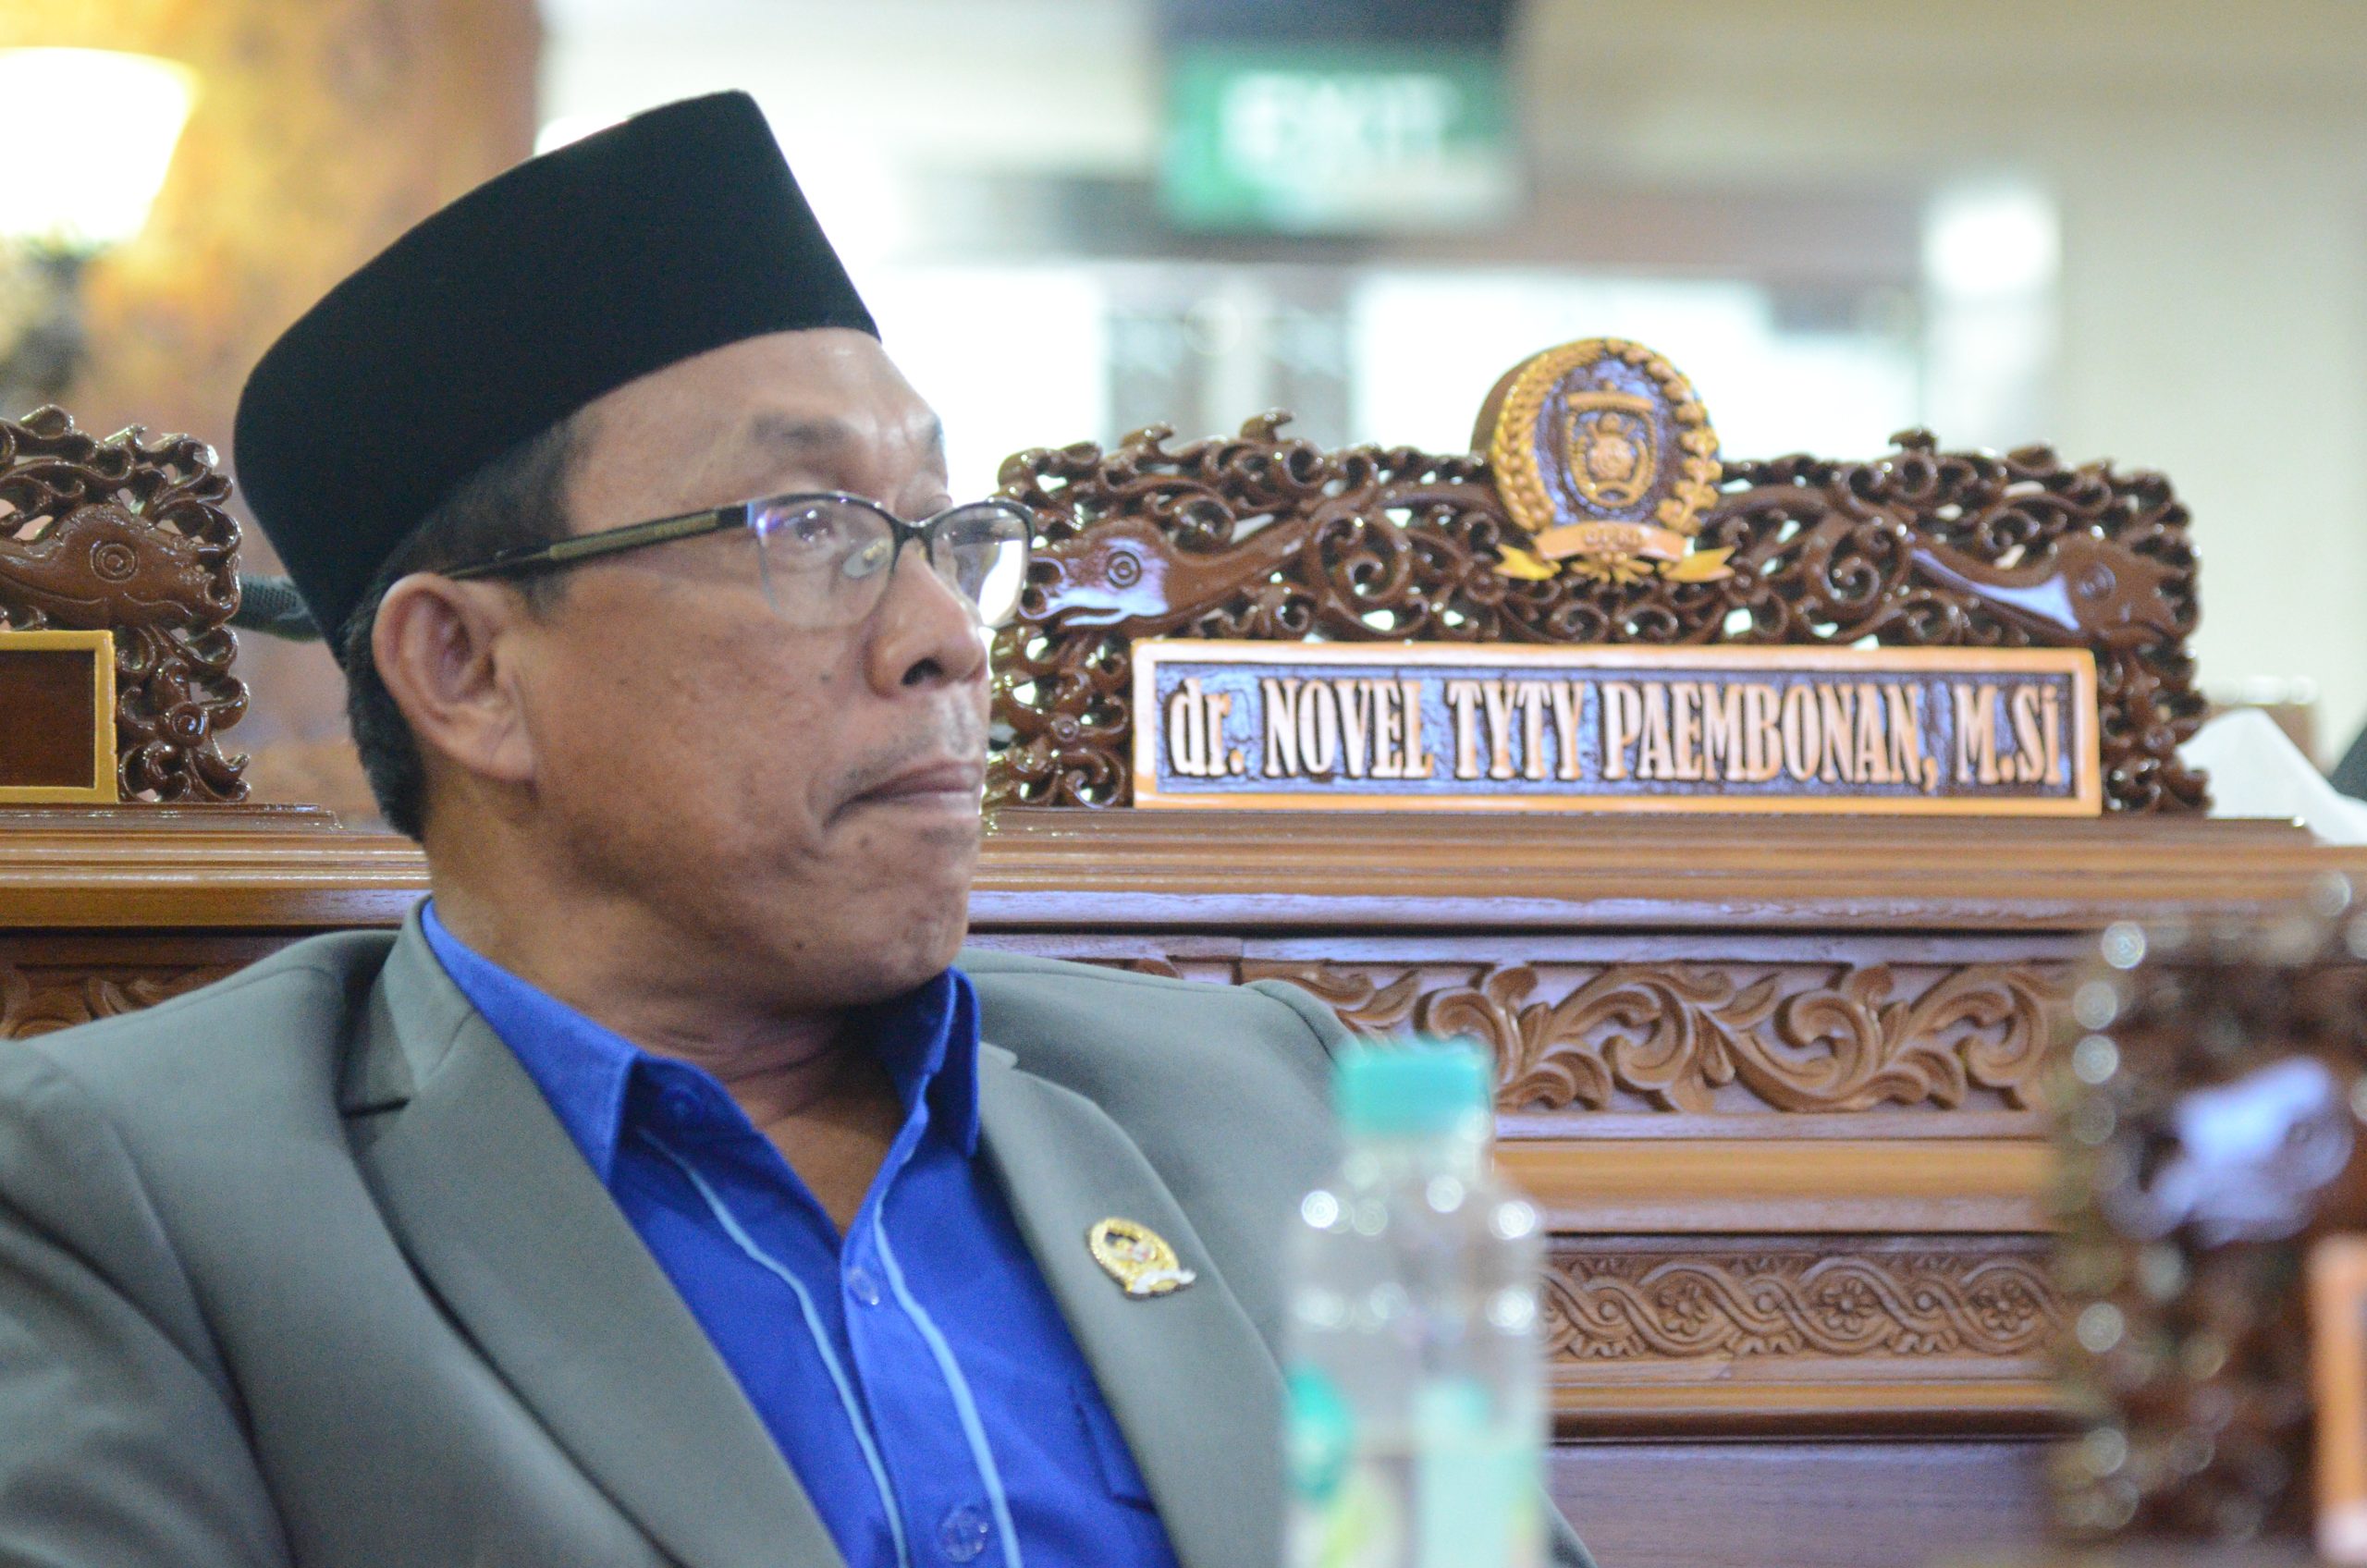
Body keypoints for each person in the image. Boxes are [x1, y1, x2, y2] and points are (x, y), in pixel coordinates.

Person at [0, 94, 1589, 1568]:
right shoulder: (141, 1198)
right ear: (467, 671)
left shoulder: (1254, 1100)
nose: (947, 638)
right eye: (814, 530)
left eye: (948, 537)